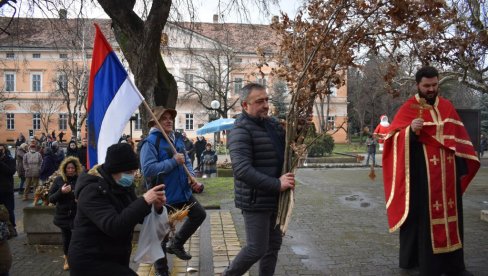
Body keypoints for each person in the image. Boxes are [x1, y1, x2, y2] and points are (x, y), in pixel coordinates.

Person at [382, 66, 480, 276]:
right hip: (422, 178)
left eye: (434, 85)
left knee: (453, 218)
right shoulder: (408, 108)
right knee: (424, 221)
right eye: (427, 86)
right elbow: (392, 138)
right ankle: (428, 265)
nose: (431, 89)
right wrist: (410, 131)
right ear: (418, 85)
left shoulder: (447, 106)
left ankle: (455, 266)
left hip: (448, 177)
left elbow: (459, 139)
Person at [223, 83, 295, 276]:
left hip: (276, 199)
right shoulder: (240, 130)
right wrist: (277, 184)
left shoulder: (271, 124)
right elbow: (242, 170)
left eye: (266, 100)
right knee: (256, 248)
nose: (265, 105)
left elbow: (286, 150)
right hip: (256, 200)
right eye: (259, 101)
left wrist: (297, 133)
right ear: (245, 105)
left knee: (272, 247)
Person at [68, 143, 166, 275]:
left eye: (133, 172)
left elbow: (136, 214)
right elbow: (114, 226)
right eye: (127, 172)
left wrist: (155, 207)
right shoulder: (92, 190)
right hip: (90, 261)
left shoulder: (122, 185)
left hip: (114, 256)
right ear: (113, 170)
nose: (131, 176)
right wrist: (144, 201)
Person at [140, 107, 206, 276]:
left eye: (171, 118)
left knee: (199, 214)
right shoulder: (150, 142)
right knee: (160, 237)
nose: (169, 121)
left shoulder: (176, 139)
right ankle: (162, 273)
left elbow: (186, 161)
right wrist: (172, 162)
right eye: (164, 118)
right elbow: (148, 170)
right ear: (155, 122)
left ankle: (176, 244)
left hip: (183, 192)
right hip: (163, 196)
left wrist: (192, 179)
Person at [48, 156, 83, 271]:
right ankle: (67, 258)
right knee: (67, 238)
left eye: (73, 168)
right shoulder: (59, 180)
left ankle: (77, 258)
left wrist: (80, 199)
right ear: (64, 169)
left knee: (77, 238)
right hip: (63, 216)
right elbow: (51, 198)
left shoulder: (80, 179)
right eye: (68, 168)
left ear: (76, 168)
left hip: (77, 215)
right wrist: (61, 192)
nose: (70, 170)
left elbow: (87, 194)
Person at [0, 144, 17, 237]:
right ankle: (3, 231)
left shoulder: (10, 160)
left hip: (7, 189)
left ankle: (12, 229)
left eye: (1, 150)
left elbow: (11, 171)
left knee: (10, 210)